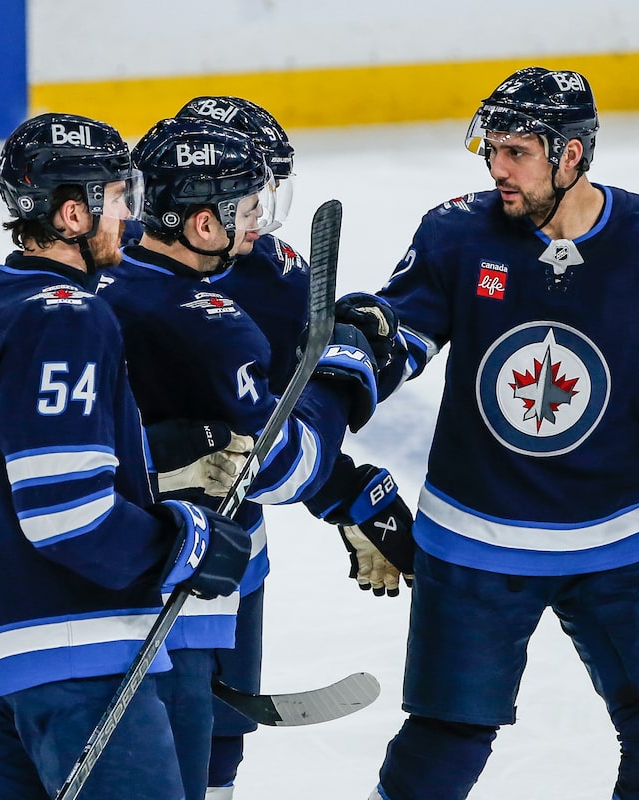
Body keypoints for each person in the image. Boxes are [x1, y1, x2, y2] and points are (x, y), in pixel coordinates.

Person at [350, 67, 639, 800]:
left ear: (571, 155)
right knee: (441, 753)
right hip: (476, 538)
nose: (497, 169)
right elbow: (401, 338)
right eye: (491, 150)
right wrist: (364, 345)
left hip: (623, 540)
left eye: (516, 152)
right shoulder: (456, 232)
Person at [0, 112, 252, 800]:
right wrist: (185, 542)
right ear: (73, 213)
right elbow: (67, 516)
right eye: (119, 199)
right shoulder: (70, 314)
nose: (131, 219)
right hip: (68, 646)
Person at [98, 114, 412, 800]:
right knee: (166, 747)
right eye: (248, 204)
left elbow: (249, 428)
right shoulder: (224, 301)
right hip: (166, 554)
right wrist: (344, 374)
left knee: (204, 739)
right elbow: (282, 444)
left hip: (186, 538)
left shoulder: (104, 258)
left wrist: (342, 493)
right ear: (201, 214)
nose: (259, 224)